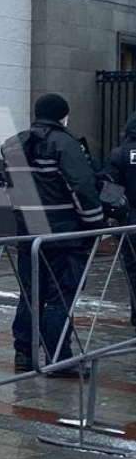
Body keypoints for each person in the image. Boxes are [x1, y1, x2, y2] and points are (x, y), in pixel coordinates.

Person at [1, 93, 104, 374]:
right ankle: (59, 358)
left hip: (29, 235)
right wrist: (96, 225)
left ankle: (23, 354)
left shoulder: (13, 145)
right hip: (63, 235)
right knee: (60, 296)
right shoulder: (65, 144)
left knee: (30, 293)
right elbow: (81, 188)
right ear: (63, 115)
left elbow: (9, 190)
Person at [104, 110, 136, 328]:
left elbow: (111, 192)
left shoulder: (120, 153)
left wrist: (112, 219)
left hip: (130, 221)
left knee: (133, 270)